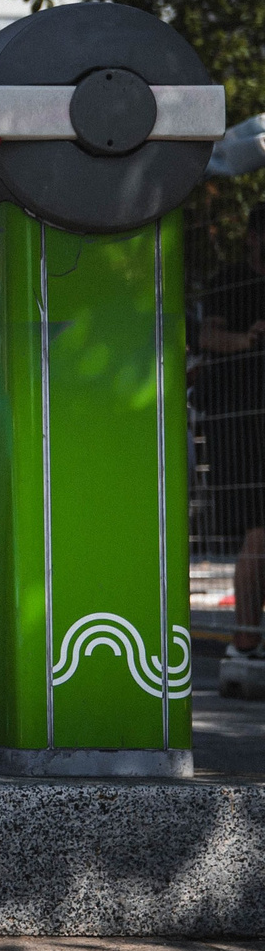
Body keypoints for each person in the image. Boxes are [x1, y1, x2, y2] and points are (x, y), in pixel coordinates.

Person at [197, 203, 265, 656]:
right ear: (252, 238)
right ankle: (246, 638)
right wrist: (247, 340)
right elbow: (206, 336)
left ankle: (248, 638)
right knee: (259, 532)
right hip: (241, 430)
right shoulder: (230, 282)